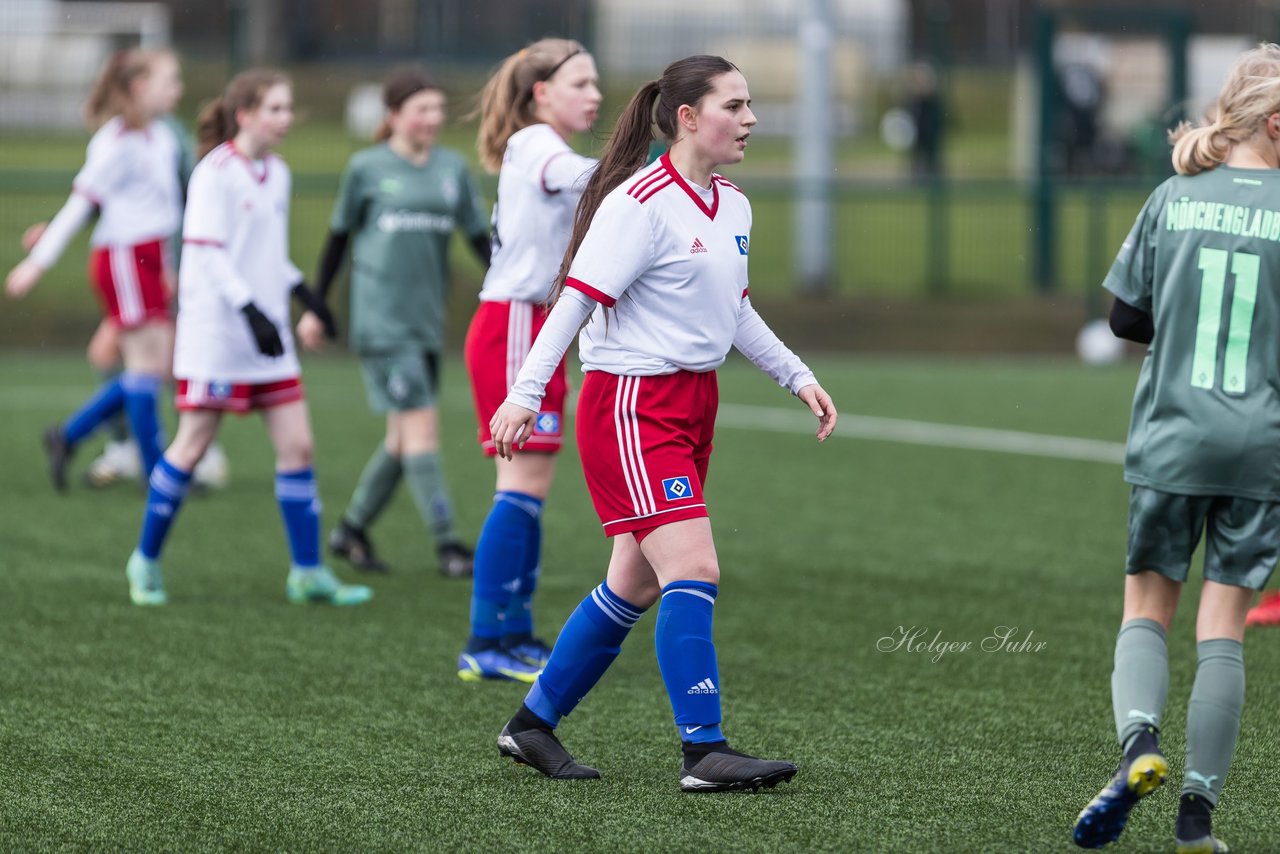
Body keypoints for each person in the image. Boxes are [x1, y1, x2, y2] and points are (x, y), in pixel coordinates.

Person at [487, 55, 837, 792]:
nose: (749, 120)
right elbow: (574, 302)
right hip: (630, 406)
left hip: (693, 404)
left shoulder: (733, 203)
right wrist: (525, 393)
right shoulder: (638, 202)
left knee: (634, 585)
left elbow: (734, 309)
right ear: (687, 117)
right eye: (735, 105)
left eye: (749, 106)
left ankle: (529, 727)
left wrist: (796, 375)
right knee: (694, 567)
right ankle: (703, 751)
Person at [1070, 43, 1280, 853]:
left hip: (1172, 436)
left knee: (1147, 608)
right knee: (1222, 627)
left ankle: (1138, 747)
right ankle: (1198, 821)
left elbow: (1125, 319)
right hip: (1259, 444)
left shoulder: (1175, 194)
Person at [122, 68, 370, 608]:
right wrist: (250, 310)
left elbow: (264, 254)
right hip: (217, 336)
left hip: (266, 338)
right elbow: (207, 251)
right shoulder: (215, 172)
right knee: (191, 446)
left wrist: (304, 292)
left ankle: (307, 572)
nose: (286, 119)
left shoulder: (276, 172)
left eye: (288, 108)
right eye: (275, 109)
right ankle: (144, 560)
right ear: (245, 115)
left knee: (298, 446)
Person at [303, 67, 489, 578]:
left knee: (402, 437)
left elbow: (479, 241)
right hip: (382, 322)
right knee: (422, 427)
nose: (432, 119)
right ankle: (449, 543)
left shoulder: (452, 169)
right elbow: (338, 239)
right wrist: (317, 308)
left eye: (436, 109)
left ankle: (351, 529)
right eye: (420, 110)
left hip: (425, 320)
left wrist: (516, 287)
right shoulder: (366, 167)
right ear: (394, 116)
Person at [456, 38, 602, 682]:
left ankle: (512, 632)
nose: (594, 95)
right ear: (541, 93)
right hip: (516, 325)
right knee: (518, 487)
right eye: (580, 84)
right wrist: (660, 165)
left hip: (532, 326)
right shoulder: (538, 144)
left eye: (595, 84)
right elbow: (589, 179)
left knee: (531, 491)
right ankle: (486, 641)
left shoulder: (542, 144)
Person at [5, 48, 184, 491]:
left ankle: (68, 436)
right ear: (139, 88)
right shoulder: (115, 143)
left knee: (153, 367)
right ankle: (154, 468)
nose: (177, 89)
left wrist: (166, 264)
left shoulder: (160, 136)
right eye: (169, 81)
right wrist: (37, 262)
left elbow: (159, 209)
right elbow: (80, 205)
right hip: (124, 260)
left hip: (148, 256)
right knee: (146, 367)